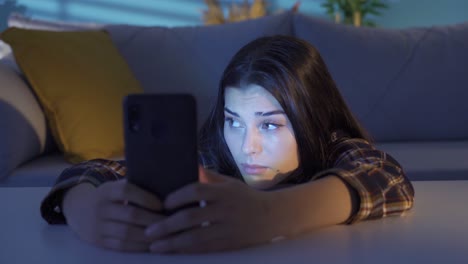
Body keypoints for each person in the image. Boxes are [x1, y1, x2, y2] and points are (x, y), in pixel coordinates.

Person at [40, 35, 414, 254]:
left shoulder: (331, 148)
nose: (246, 146)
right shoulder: (213, 156)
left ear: (311, 120)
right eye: (233, 122)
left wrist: (271, 214)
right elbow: (94, 170)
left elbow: (386, 175)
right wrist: (83, 208)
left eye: (269, 125)